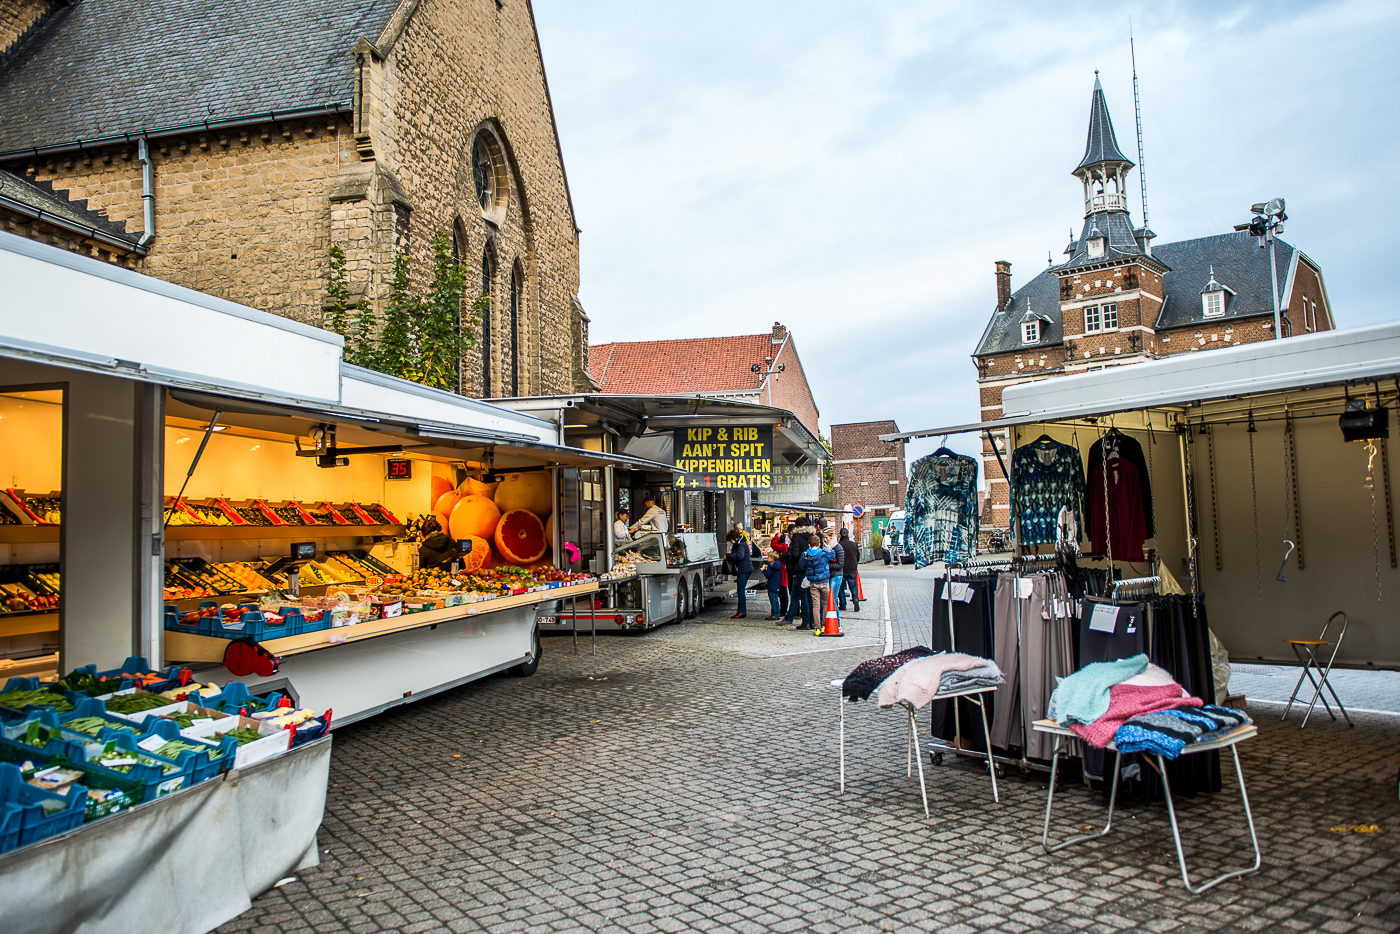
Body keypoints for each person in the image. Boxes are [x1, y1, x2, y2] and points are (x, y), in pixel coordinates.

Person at [799, 529, 836, 631]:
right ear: (819, 543)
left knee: (815, 605)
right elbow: (832, 554)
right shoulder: (823, 553)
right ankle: (824, 625)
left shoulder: (805, 554)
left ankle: (817, 628)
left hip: (813, 582)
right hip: (824, 581)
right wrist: (826, 546)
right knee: (825, 604)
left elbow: (801, 565)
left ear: (809, 544)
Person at [782, 517, 816, 628]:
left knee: (801, 595)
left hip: (800, 569)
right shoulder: (814, 536)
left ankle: (805, 621)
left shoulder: (797, 537)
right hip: (812, 568)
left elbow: (795, 554)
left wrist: (790, 559)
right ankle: (812, 620)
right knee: (810, 596)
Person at [725, 528, 752, 619]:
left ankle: (741, 611)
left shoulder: (740, 545)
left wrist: (728, 556)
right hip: (745, 569)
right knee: (741, 590)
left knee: (740, 590)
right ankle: (741, 610)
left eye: (731, 540)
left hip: (743, 570)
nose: (731, 542)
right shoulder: (742, 543)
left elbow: (740, 555)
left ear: (735, 538)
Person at [836, 527, 860, 612]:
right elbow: (858, 556)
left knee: (840, 588)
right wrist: (855, 563)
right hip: (852, 569)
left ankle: (842, 604)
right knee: (853, 587)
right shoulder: (854, 544)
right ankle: (855, 599)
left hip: (841, 569)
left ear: (840, 535)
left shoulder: (838, 545)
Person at [769, 532, 790, 617]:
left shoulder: (782, 546)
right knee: (782, 591)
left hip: (782, 571)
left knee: (783, 591)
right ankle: (782, 609)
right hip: (782, 570)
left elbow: (773, 545)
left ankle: (782, 610)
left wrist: (776, 538)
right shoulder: (784, 546)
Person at [762, 549, 784, 620]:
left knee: (772, 600)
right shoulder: (778, 564)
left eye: (768, 557)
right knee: (776, 599)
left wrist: (764, 570)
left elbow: (768, 575)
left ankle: (774, 614)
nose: (767, 559)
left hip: (771, 584)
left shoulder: (771, 565)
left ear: (772, 558)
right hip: (777, 584)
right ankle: (777, 613)